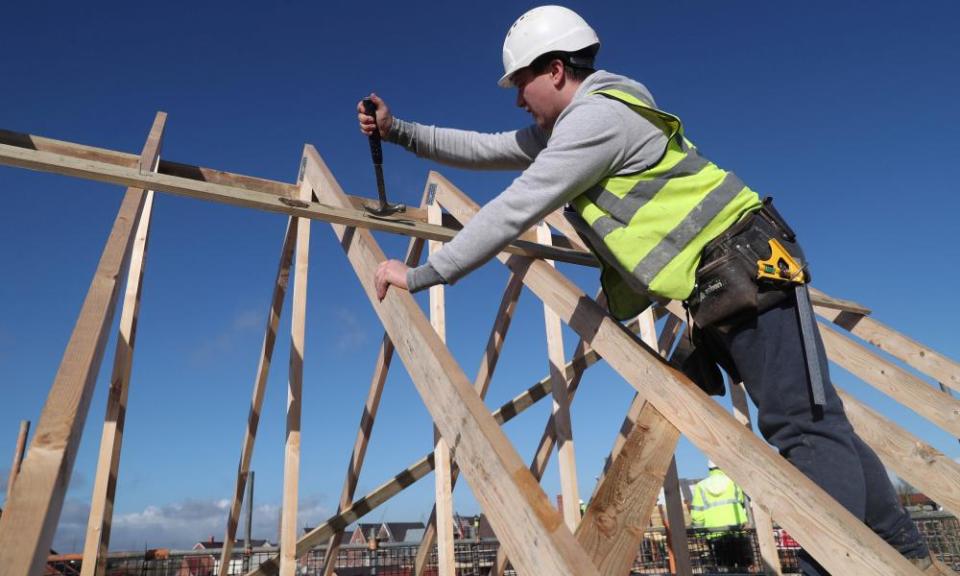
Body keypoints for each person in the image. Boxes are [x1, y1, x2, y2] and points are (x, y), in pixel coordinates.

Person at [360, 6, 936, 574]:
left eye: (522, 83)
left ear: (556, 70)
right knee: (814, 419)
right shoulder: (577, 125)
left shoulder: (594, 123)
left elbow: (512, 209)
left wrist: (418, 274)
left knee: (804, 428)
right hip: (723, 283)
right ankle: (909, 556)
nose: (517, 99)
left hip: (748, 269)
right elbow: (488, 149)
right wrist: (400, 131)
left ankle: (835, 564)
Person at [690, 461, 752, 572]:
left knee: (724, 568)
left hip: (715, 534)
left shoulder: (701, 486)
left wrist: (700, 534)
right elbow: (744, 503)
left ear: (710, 469)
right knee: (743, 568)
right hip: (738, 531)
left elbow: (697, 514)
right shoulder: (734, 482)